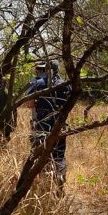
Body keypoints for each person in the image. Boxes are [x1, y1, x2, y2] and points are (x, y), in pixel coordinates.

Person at [25, 60, 71, 189]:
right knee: (59, 155)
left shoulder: (38, 84)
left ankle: (45, 186)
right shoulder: (66, 85)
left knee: (42, 155)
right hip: (60, 127)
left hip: (42, 126)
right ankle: (60, 183)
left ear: (46, 70)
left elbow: (29, 104)